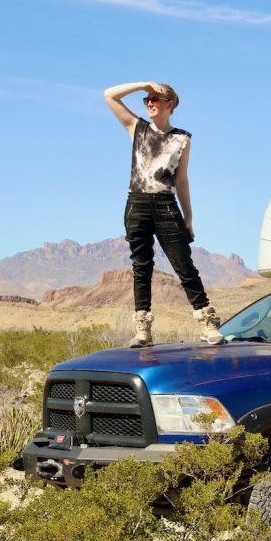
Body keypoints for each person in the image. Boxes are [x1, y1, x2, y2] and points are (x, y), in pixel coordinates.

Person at [103, 80, 224, 347]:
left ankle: (206, 322)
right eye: (146, 101)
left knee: (184, 265)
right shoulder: (138, 128)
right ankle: (143, 329)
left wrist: (189, 217)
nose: (149, 104)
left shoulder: (182, 139)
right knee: (141, 268)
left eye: (155, 99)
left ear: (170, 104)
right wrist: (143, 85)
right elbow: (109, 95)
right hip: (137, 204)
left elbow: (182, 180)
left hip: (167, 205)